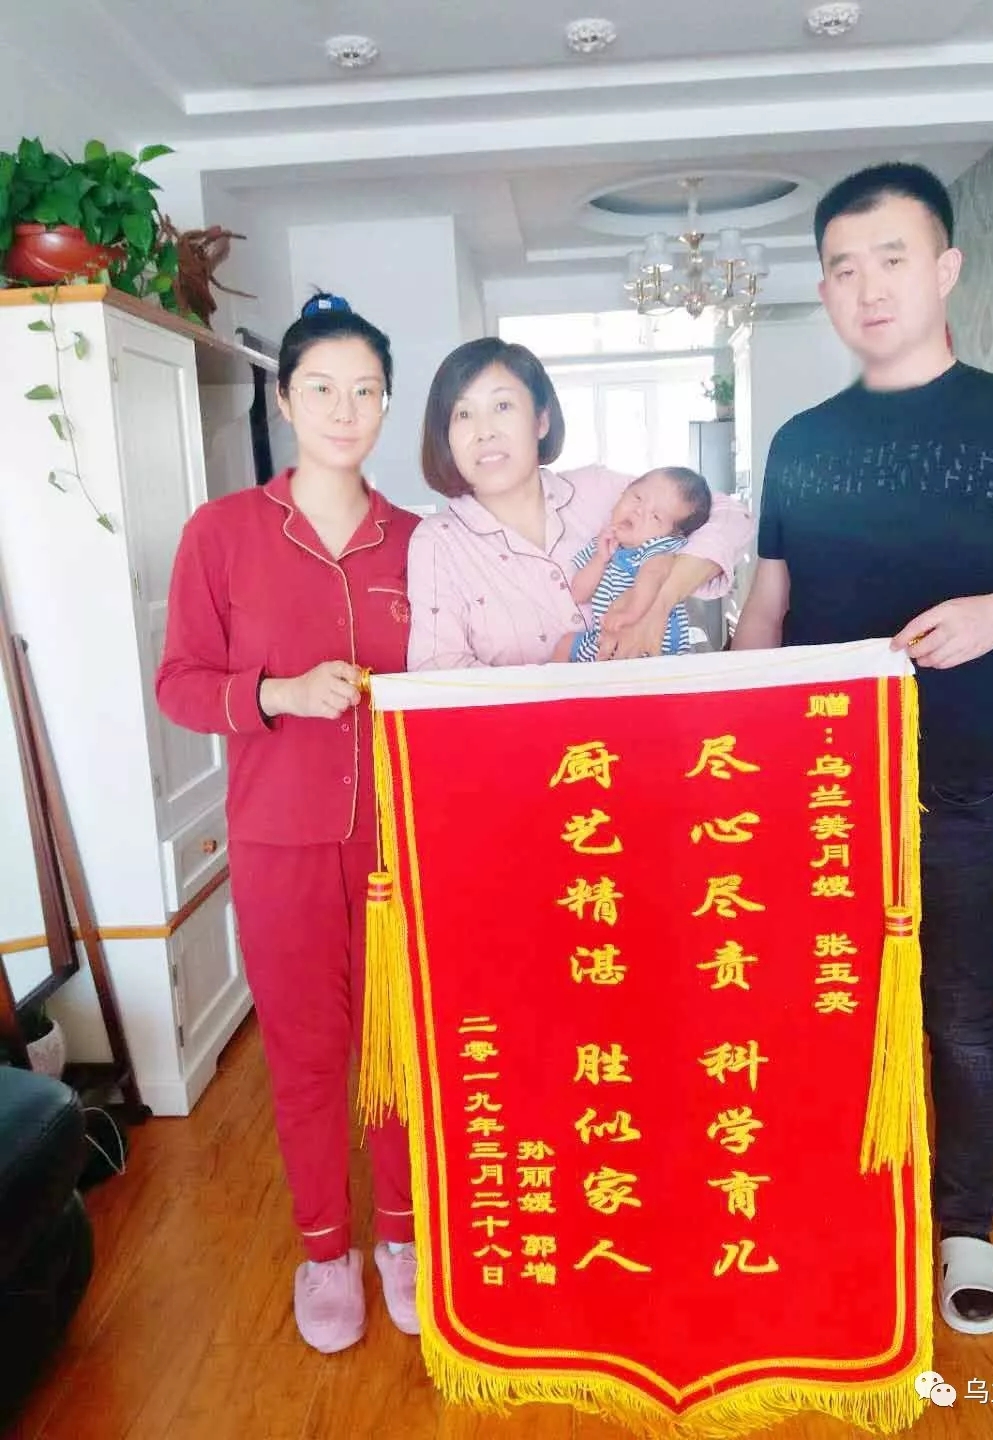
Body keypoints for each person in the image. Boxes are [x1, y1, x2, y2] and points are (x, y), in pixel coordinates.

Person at [732, 163, 993, 1335]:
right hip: (812, 785)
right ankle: (835, 1210)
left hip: (956, 786)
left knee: (961, 1006)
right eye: (843, 268)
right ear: (825, 290)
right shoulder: (802, 442)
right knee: (816, 1002)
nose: (868, 287)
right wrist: (727, 731)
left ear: (945, 269)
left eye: (892, 259)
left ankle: (965, 1230)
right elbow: (767, 606)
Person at [156, 293, 421, 1354]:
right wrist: (275, 693)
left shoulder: (420, 542)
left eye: (365, 391)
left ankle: (400, 1238)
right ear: (285, 398)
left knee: (399, 1049)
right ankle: (326, 1252)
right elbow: (180, 683)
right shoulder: (222, 534)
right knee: (308, 1055)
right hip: (281, 840)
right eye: (322, 388)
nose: (344, 410)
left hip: (406, 847)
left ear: (387, 403)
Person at [407, 338, 752, 670]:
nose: (485, 431)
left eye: (502, 406)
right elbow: (439, 670)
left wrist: (660, 601)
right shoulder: (438, 542)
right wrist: (568, 688)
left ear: (541, 421)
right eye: (463, 414)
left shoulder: (597, 490)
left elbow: (731, 516)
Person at [554, 465, 712, 662]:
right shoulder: (601, 544)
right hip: (604, 638)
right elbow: (578, 594)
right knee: (566, 644)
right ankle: (554, 683)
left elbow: (653, 573)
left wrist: (631, 613)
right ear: (622, 494)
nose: (639, 511)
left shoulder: (658, 546)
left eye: (656, 516)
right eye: (637, 497)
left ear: (672, 534)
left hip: (655, 640)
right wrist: (600, 560)